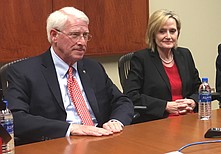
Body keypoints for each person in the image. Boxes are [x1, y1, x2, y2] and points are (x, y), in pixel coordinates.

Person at [4, 7, 134, 144]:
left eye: (85, 35)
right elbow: (15, 118)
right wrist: (70, 129)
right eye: (75, 35)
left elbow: (122, 101)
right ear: (54, 35)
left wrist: (116, 121)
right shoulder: (24, 71)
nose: (82, 42)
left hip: (101, 140)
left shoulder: (93, 68)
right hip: (58, 143)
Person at [124, 9, 201, 123]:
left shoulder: (185, 55)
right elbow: (131, 95)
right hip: (159, 121)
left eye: (172, 31)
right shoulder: (141, 58)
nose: (168, 36)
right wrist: (165, 106)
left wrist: (193, 101)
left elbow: (198, 87)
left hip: (189, 118)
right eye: (162, 31)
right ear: (153, 33)